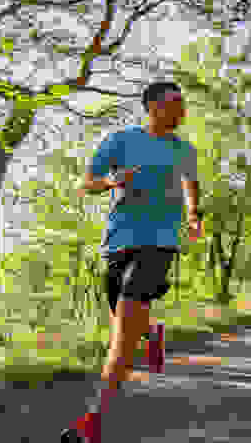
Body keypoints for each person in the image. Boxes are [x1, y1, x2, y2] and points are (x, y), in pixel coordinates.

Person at [61, 82, 201, 443]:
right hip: (118, 242)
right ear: (153, 107)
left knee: (121, 338)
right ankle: (152, 331)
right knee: (125, 321)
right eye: (175, 104)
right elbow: (86, 183)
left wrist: (194, 214)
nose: (182, 111)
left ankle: (93, 420)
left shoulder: (184, 149)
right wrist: (111, 182)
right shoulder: (120, 140)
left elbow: (191, 184)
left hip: (160, 243)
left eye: (183, 105)